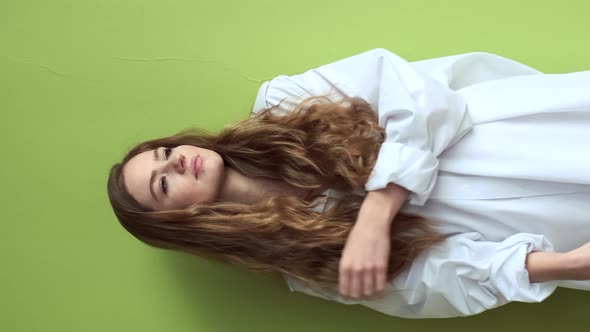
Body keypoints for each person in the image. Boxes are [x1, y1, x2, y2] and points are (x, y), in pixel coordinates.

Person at [107, 48, 590, 319]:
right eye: (163, 185)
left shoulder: (283, 102)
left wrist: (376, 214)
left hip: (520, 132)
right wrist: (564, 264)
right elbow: (432, 281)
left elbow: (418, 97)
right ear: (182, 223)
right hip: (530, 226)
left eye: (165, 154)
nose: (178, 164)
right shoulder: (303, 261)